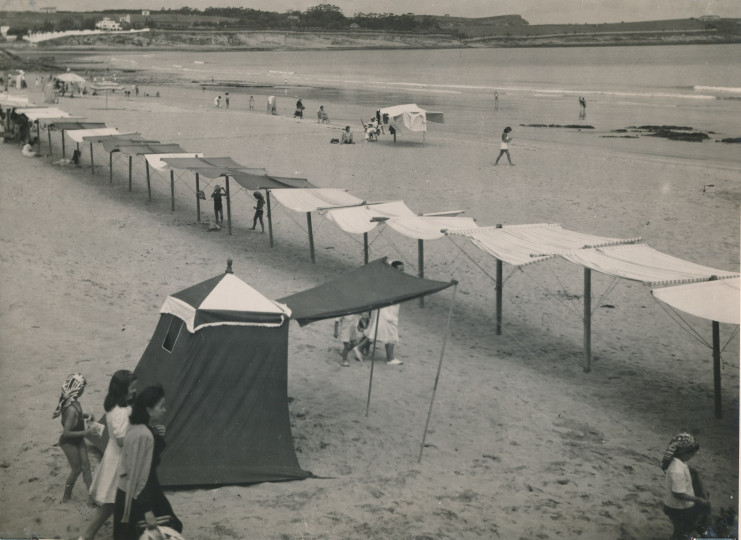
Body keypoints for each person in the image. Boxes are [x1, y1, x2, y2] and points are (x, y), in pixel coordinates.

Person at [113, 385, 182, 540]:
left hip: (134, 489)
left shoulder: (140, 427)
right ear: (149, 410)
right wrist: (147, 509)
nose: (164, 410)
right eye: (161, 406)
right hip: (138, 493)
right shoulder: (143, 435)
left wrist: (156, 434)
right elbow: (138, 475)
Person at [81, 371, 137, 540]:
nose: (135, 391)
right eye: (132, 388)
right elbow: (121, 440)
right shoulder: (120, 412)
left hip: (116, 456)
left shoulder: (116, 407)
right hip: (120, 459)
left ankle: (89, 534)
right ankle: (88, 534)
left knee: (115, 501)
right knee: (112, 502)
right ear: (121, 390)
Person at [352, 260, 405, 365]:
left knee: (382, 331)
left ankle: (389, 357)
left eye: (403, 269)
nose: (403, 272)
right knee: (383, 331)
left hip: (388, 309)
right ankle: (360, 348)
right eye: (400, 270)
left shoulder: (393, 279)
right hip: (386, 310)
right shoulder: (390, 280)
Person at [661, 432, 712, 539]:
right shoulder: (677, 470)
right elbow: (678, 494)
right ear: (684, 452)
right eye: (691, 454)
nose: (692, 457)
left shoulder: (679, 462)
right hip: (677, 507)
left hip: (676, 505)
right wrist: (697, 499)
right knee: (681, 530)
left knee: (683, 527)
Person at [53, 373, 93, 502]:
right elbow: (66, 433)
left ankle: (92, 497)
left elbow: (77, 419)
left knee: (86, 467)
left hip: (78, 439)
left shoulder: (75, 403)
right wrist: (84, 433)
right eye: (82, 387)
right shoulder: (70, 410)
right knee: (76, 470)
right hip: (68, 442)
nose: (83, 390)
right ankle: (66, 497)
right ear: (77, 389)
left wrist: (85, 415)